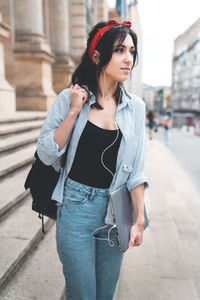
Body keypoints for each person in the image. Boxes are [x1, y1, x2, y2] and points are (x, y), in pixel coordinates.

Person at [37, 19, 149, 300]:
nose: (128, 59)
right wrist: (74, 113)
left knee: (105, 293)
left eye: (132, 51)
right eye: (120, 50)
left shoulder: (135, 108)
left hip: (116, 211)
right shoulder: (69, 98)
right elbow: (46, 153)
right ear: (97, 55)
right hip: (75, 208)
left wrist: (138, 220)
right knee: (82, 294)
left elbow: (137, 171)